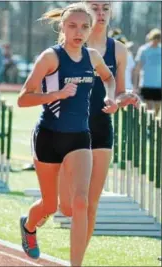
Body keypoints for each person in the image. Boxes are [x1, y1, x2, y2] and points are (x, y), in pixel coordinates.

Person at [18, 3, 119, 266]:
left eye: (85, 26)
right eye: (72, 25)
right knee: (51, 206)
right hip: (49, 137)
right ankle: (29, 226)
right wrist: (56, 95)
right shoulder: (50, 58)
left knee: (80, 203)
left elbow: (109, 78)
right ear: (62, 26)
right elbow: (23, 99)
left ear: (90, 29)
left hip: (79, 137)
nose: (79, 31)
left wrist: (110, 97)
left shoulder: (93, 57)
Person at [58, 0, 140, 256]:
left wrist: (125, 99)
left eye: (106, 8)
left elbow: (117, 92)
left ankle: (77, 261)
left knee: (90, 204)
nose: (101, 13)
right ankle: (34, 219)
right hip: (67, 130)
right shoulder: (66, 48)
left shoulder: (119, 50)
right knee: (67, 207)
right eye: (95, 7)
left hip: (101, 128)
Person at [133, 28, 161, 116]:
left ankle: (154, 126)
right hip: (146, 83)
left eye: (158, 39)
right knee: (148, 108)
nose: (156, 41)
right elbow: (137, 68)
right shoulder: (144, 50)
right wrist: (135, 85)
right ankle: (149, 127)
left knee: (158, 107)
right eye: (155, 39)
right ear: (151, 39)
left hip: (158, 84)